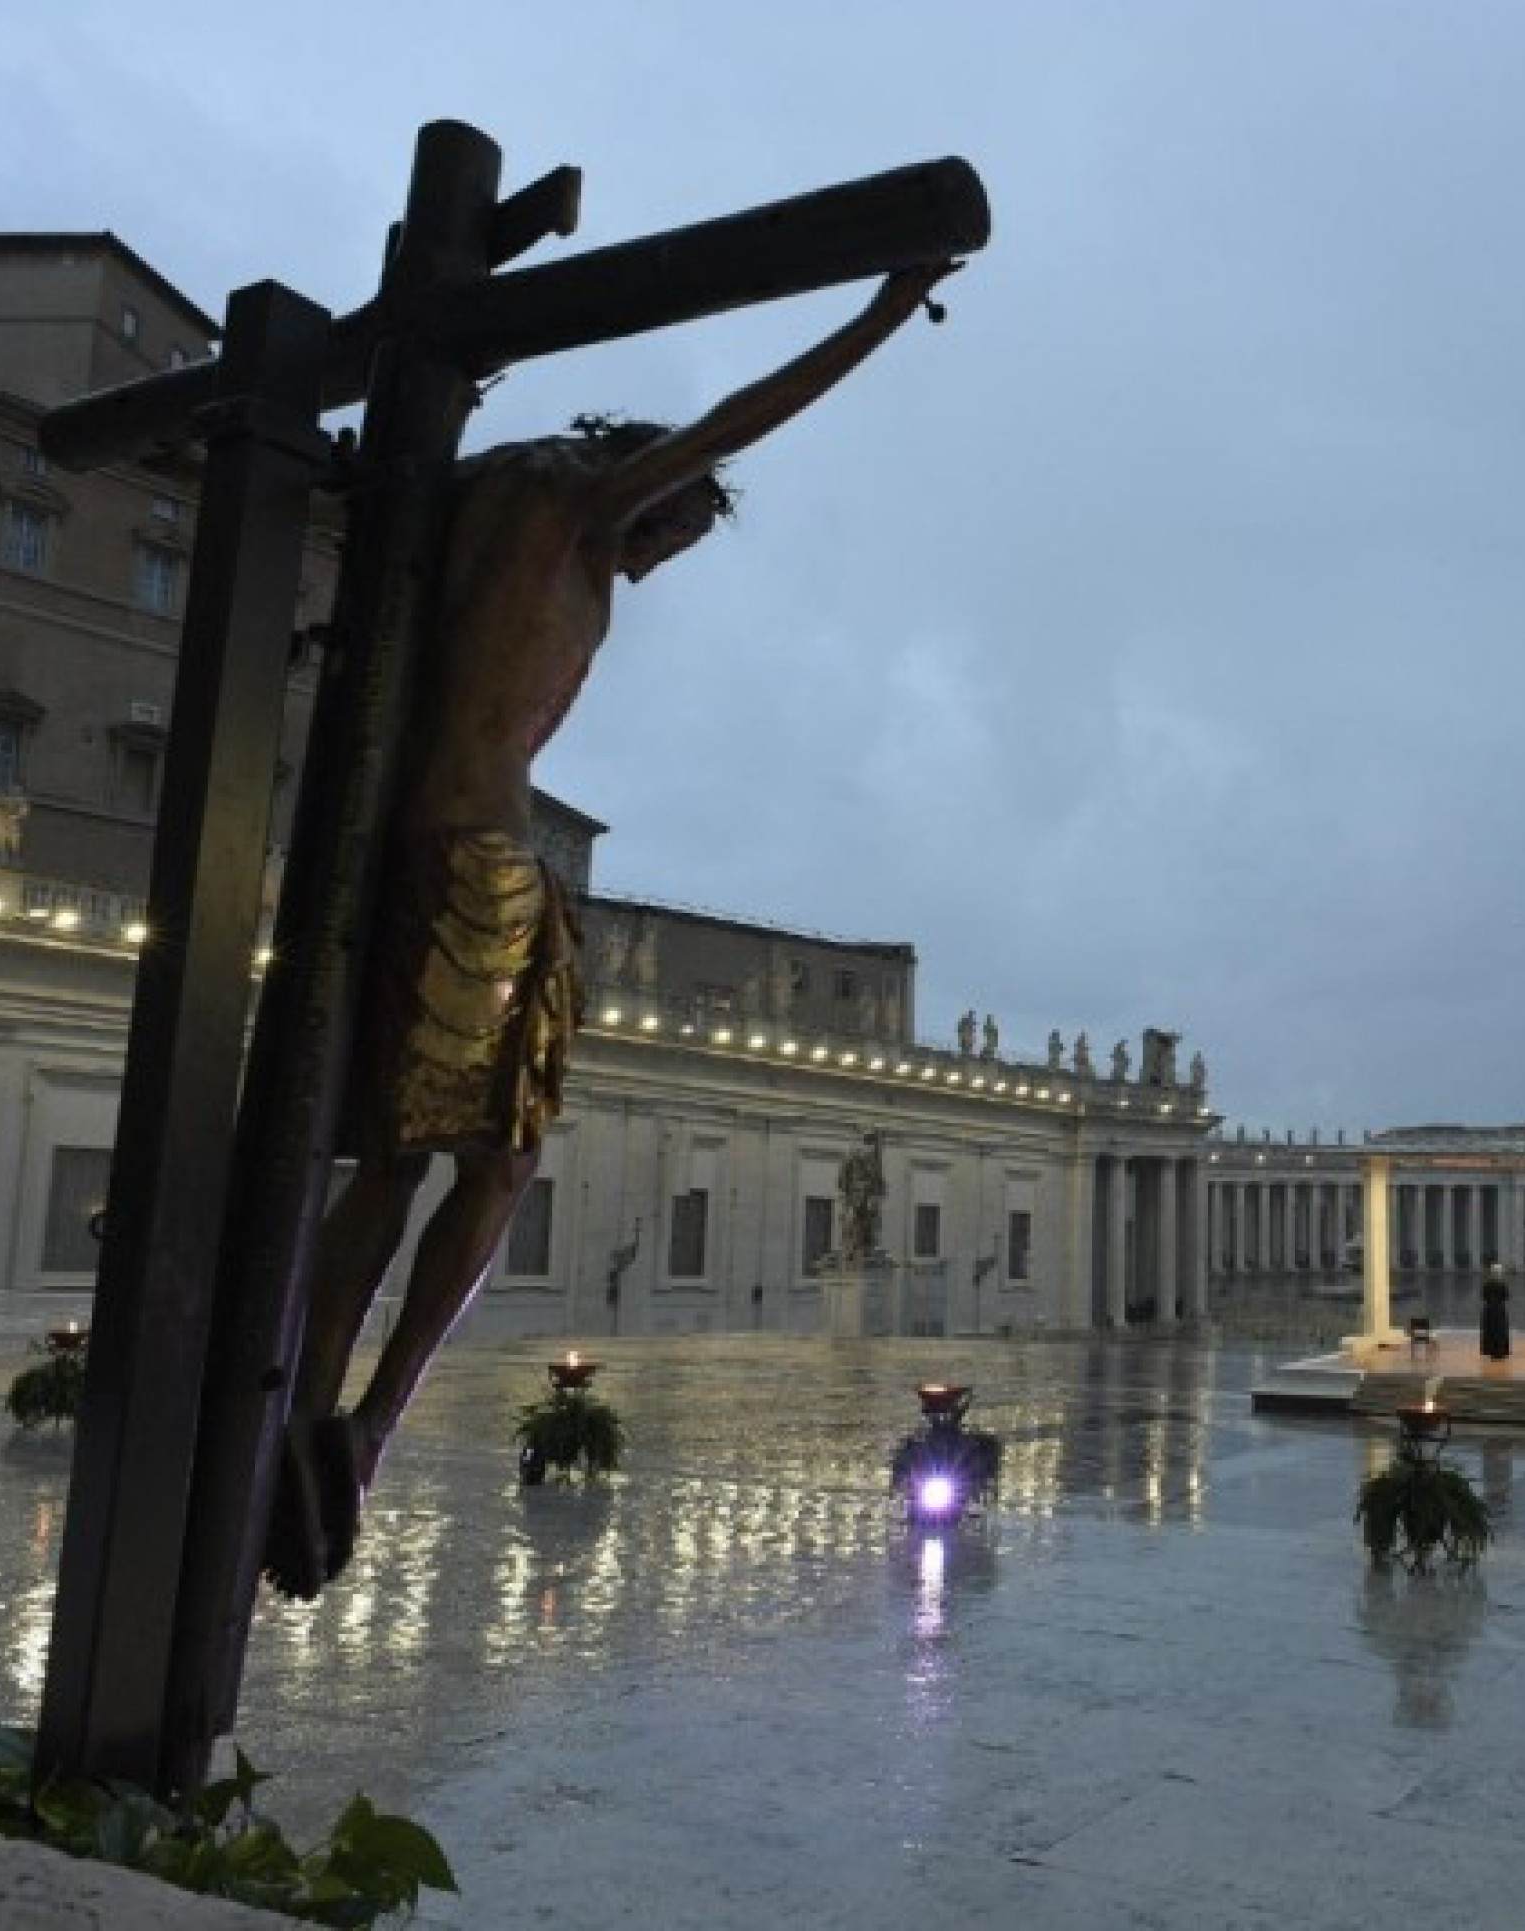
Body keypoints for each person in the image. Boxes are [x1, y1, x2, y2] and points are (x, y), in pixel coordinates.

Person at [264, 261, 959, 1599]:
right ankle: (371, 1417)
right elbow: (750, 414)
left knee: (401, 1156)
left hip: (421, 845)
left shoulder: (468, 497)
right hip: (479, 862)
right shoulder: (570, 509)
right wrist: (883, 309)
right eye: (674, 526)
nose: (659, 557)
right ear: (647, 481)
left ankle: (314, 1384)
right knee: (491, 1164)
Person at [1478, 1262, 1512, 1361]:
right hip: (1500, 1310)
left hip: (1489, 1310)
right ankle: (1500, 1352)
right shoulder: (1502, 1284)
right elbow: (1506, 1296)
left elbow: (1483, 1296)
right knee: (1500, 1331)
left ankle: (1490, 1351)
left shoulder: (1486, 1284)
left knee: (1490, 1330)